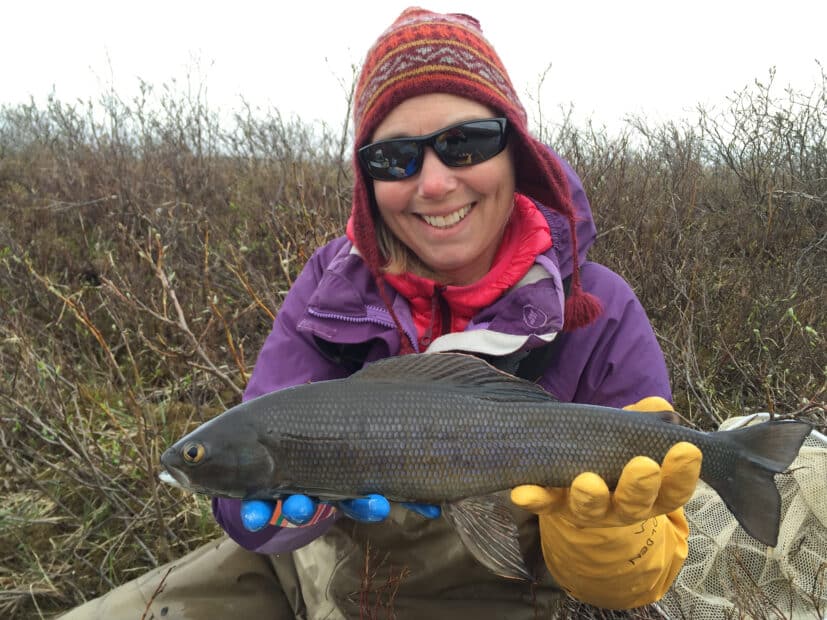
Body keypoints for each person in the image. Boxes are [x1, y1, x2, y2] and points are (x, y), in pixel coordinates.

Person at [60, 7, 702, 619]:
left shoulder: (600, 309)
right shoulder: (330, 290)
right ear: (369, 183)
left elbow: (638, 581)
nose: (434, 183)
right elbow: (245, 511)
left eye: (466, 143)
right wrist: (285, 515)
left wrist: (605, 536)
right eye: (395, 158)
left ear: (517, 153)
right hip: (318, 573)